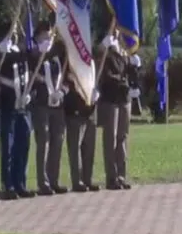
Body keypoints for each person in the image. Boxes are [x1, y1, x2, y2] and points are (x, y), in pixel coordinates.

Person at [0, 23, 35, 199]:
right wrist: (0, 50)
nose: (16, 35)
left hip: (23, 105)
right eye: (12, 32)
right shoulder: (0, 53)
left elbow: (30, 66)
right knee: (8, 147)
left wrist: (30, 94)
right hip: (8, 104)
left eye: (17, 33)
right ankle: (8, 184)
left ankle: (20, 183)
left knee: (23, 146)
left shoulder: (20, 52)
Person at [96, 29, 142, 190]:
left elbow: (130, 73)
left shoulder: (124, 52)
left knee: (122, 137)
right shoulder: (106, 52)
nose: (118, 33)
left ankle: (121, 175)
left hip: (124, 99)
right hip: (111, 99)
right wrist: (125, 85)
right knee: (111, 138)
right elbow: (106, 75)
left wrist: (136, 68)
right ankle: (111, 177)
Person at [27, 21, 67, 195]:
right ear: (37, 37)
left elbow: (66, 75)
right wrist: (38, 54)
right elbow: (29, 78)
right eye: (45, 35)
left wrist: (63, 91)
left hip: (57, 104)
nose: (49, 38)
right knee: (43, 142)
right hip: (41, 104)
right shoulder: (32, 55)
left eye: (50, 35)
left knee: (57, 141)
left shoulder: (56, 54)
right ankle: (43, 182)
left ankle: (54, 180)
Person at [63, 64, 100, 193]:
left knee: (89, 146)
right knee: (75, 147)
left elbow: (93, 77)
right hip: (75, 106)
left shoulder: (89, 60)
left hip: (90, 108)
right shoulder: (70, 57)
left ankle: (87, 179)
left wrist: (96, 91)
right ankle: (77, 180)